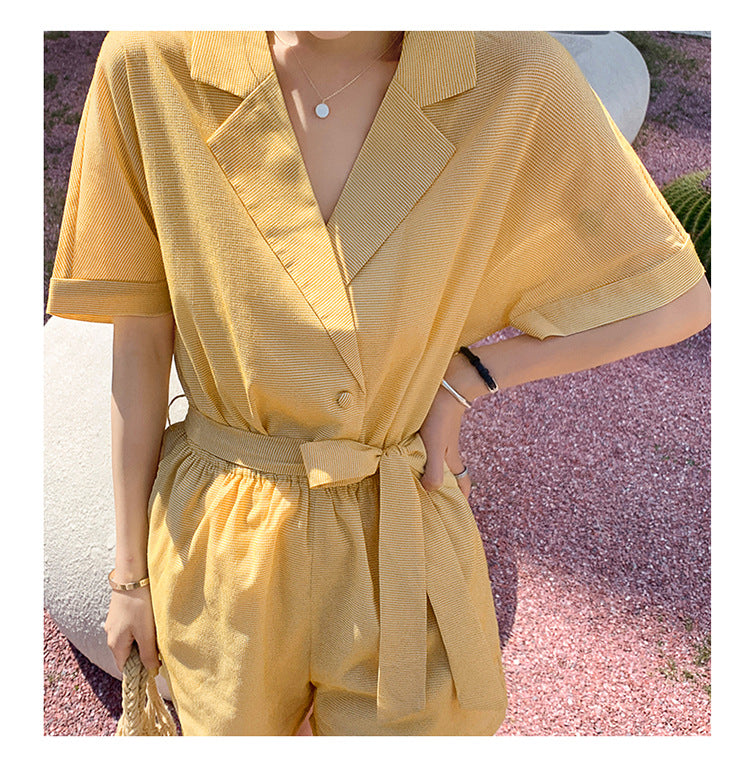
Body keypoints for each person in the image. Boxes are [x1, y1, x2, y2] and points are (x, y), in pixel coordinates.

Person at [46, 30, 711, 737]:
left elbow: (676, 299)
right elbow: (141, 339)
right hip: (224, 542)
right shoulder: (153, 60)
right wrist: (129, 575)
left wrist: (474, 375)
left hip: (399, 530)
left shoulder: (509, 72)